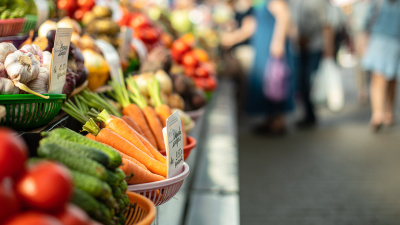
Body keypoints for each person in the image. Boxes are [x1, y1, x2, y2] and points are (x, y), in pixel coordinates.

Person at [287, 0, 336, 127]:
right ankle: (306, 113)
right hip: (298, 47)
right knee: (300, 81)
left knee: (309, 81)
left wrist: (328, 48)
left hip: (314, 46)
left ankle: (309, 114)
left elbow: (326, 25)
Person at [245, 0, 291, 134]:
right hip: (265, 46)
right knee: (268, 83)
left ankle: (278, 122)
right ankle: (271, 120)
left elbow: (284, 16)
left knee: (275, 81)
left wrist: (278, 42)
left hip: (271, 47)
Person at [362, 0, 400, 131]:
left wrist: (365, 41)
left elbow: (367, 22)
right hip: (391, 42)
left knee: (380, 80)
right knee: (389, 80)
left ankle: (379, 114)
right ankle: (386, 113)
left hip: (383, 41)